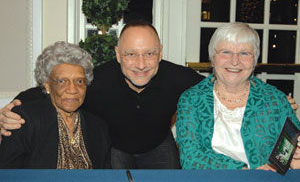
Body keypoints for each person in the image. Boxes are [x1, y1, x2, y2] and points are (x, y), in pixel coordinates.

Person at [0, 20, 205, 169]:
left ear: (160, 53)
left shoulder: (179, 77)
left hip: (159, 144)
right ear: (117, 54)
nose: (141, 64)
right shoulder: (98, 81)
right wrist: (13, 109)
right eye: (131, 54)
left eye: (149, 54)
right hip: (116, 149)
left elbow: (215, 90)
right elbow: (52, 89)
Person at [176, 22, 300, 170]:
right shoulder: (191, 100)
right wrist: (243, 173)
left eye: (244, 53)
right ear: (213, 58)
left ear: (254, 61)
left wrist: (287, 163)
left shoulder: (275, 100)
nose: (235, 61)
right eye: (226, 52)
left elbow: (290, 148)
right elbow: (190, 158)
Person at [0, 41, 111, 169]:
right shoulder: (25, 120)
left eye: (79, 81)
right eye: (62, 81)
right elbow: (8, 174)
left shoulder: (98, 127)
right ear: (47, 85)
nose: (72, 89)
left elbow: (105, 175)